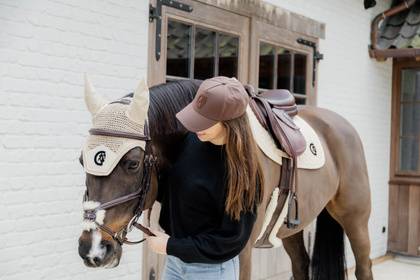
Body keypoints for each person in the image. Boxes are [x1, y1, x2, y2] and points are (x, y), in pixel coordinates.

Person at [145, 76, 265, 280]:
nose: (196, 126)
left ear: (230, 122)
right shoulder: (190, 140)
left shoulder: (244, 175)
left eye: (205, 121)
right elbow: (177, 191)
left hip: (212, 271)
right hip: (174, 264)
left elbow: (229, 242)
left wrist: (170, 245)